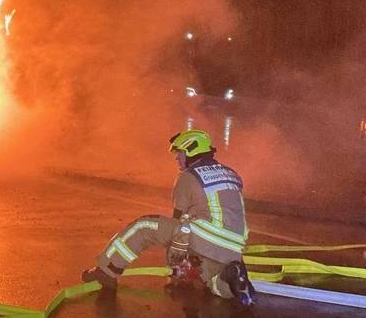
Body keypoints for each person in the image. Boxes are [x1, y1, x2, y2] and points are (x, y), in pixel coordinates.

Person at [81, 129, 256, 306]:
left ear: (190, 151)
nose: (176, 158)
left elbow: (179, 220)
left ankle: (106, 271)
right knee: (212, 281)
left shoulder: (188, 176)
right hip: (234, 245)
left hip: (206, 235)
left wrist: (175, 265)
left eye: (179, 152)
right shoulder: (231, 173)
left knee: (144, 227)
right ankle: (230, 277)